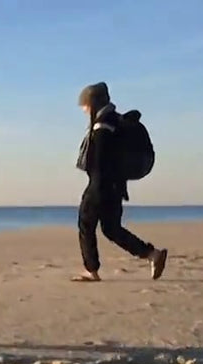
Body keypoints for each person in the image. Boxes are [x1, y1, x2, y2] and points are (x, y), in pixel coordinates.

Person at [73, 81, 168, 282]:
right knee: (111, 229)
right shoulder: (116, 120)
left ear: (93, 103)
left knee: (85, 223)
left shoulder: (103, 125)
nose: (84, 110)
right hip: (115, 185)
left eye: (85, 106)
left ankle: (91, 270)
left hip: (101, 185)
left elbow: (99, 160)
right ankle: (152, 254)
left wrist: (94, 189)